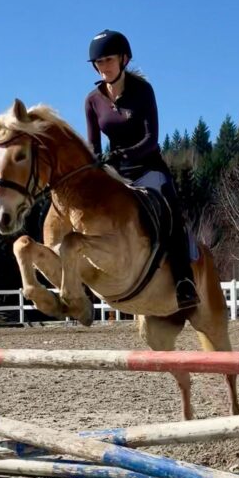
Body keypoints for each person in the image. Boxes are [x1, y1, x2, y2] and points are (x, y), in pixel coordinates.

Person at [84, 29, 200, 310]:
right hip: (115, 174)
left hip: (148, 167)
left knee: (170, 212)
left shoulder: (142, 91)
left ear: (124, 59)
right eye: (98, 63)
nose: (103, 67)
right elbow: (93, 147)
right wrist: (97, 165)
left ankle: (185, 282)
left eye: (108, 60)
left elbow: (151, 139)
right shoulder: (92, 101)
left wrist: (121, 154)